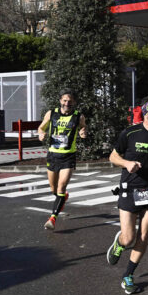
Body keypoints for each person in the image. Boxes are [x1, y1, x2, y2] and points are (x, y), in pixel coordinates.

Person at [106, 96, 148, 295]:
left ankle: (128, 275)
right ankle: (120, 243)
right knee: (129, 238)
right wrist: (127, 164)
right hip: (130, 188)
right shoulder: (130, 133)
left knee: (144, 236)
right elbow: (113, 156)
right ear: (145, 111)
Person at [37, 89, 87, 230]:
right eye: (64, 100)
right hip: (53, 155)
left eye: (70, 101)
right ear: (60, 101)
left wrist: (83, 133)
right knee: (54, 189)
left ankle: (53, 218)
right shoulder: (51, 113)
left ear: (74, 102)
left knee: (61, 186)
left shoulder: (79, 116)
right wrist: (41, 134)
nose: (67, 103)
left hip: (68, 156)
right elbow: (41, 127)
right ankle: (62, 197)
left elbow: (83, 129)